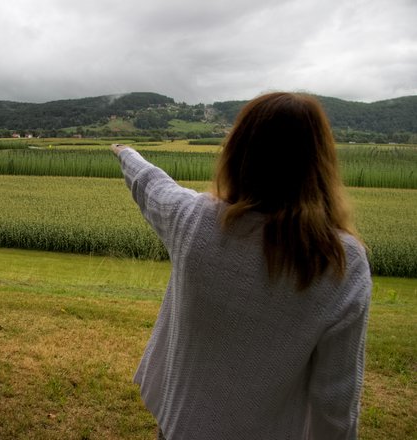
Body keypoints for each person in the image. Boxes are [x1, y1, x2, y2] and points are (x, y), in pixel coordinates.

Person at [110, 92, 372, 439]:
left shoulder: (195, 221)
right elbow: (335, 403)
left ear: (239, 154)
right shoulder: (341, 263)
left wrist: (124, 152)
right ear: (320, 162)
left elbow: (152, 186)